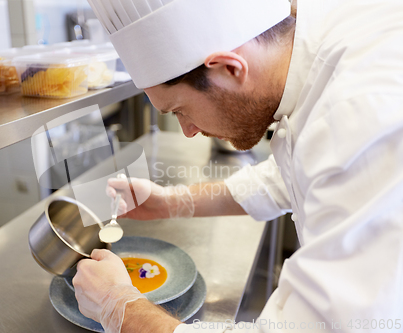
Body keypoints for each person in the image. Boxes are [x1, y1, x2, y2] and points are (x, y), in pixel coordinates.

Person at [72, 0, 403, 332]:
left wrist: (119, 307)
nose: (188, 131)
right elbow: (288, 176)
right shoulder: (325, 42)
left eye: (180, 109)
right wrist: (170, 202)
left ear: (230, 68)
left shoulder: (361, 113)